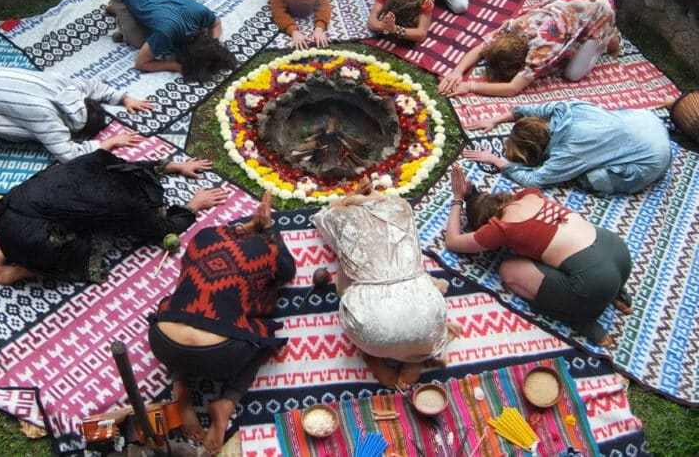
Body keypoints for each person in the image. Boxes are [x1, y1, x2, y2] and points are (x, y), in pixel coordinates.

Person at [148, 190, 295, 455]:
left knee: (178, 304)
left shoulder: (203, 236)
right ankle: (227, 402)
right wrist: (271, 230)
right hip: (219, 357)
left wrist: (250, 226)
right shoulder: (267, 250)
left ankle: (180, 387)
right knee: (264, 334)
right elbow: (288, 270)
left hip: (161, 341)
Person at [444, 164, 633, 346]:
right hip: (619, 252)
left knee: (508, 270)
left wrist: (458, 198)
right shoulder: (530, 194)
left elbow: (452, 241)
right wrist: (472, 194)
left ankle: (580, 318)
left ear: (485, 223)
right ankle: (617, 293)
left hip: (594, 282)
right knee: (560, 252)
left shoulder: (501, 228)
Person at [0, 149, 227, 285]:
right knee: (97, 246)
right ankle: (26, 269)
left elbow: (132, 167)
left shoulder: (101, 162)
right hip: (35, 239)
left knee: (66, 215)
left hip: (7, 216)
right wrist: (194, 204)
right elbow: (162, 230)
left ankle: (9, 249)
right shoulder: (129, 205)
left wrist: (175, 166)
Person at [312, 178, 461, 390]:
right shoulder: (402, 207)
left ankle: (371, 356)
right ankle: (415, 359)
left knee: (345, 282)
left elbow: (322, 218)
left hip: (373, 328)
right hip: (426, 320)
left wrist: (346, 200)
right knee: (422, 315)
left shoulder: (341, 216)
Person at [438, 0, 620, 97]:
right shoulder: (513, 27)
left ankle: (607, 35)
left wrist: (471, 87)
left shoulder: (542, 49)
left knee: (573, 75)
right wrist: (457, 71)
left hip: (601, 7)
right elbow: (480, 48)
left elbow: (513, 88)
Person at [462, 100, 672, 194]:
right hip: (648, 120)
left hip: (654, 159)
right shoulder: (565, 108)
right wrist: (495, 119)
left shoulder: (567, 153)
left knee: (592, 178)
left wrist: (496, 160)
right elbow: (527, 109)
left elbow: (534, 180)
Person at [0, 67, 150, 163]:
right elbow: (68, 155)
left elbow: (93, 86)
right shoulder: (48, 118)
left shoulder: (69, 88)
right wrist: (109, 142)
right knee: (20, 133)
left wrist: (123, 98)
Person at [105, 0, 237, 80]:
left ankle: (128, 1)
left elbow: (216, 23)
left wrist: (213, 43)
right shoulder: (166, 33)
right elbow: (140, 63)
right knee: (138, 42)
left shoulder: (200, 12)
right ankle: (118, 6)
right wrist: (176, 66)